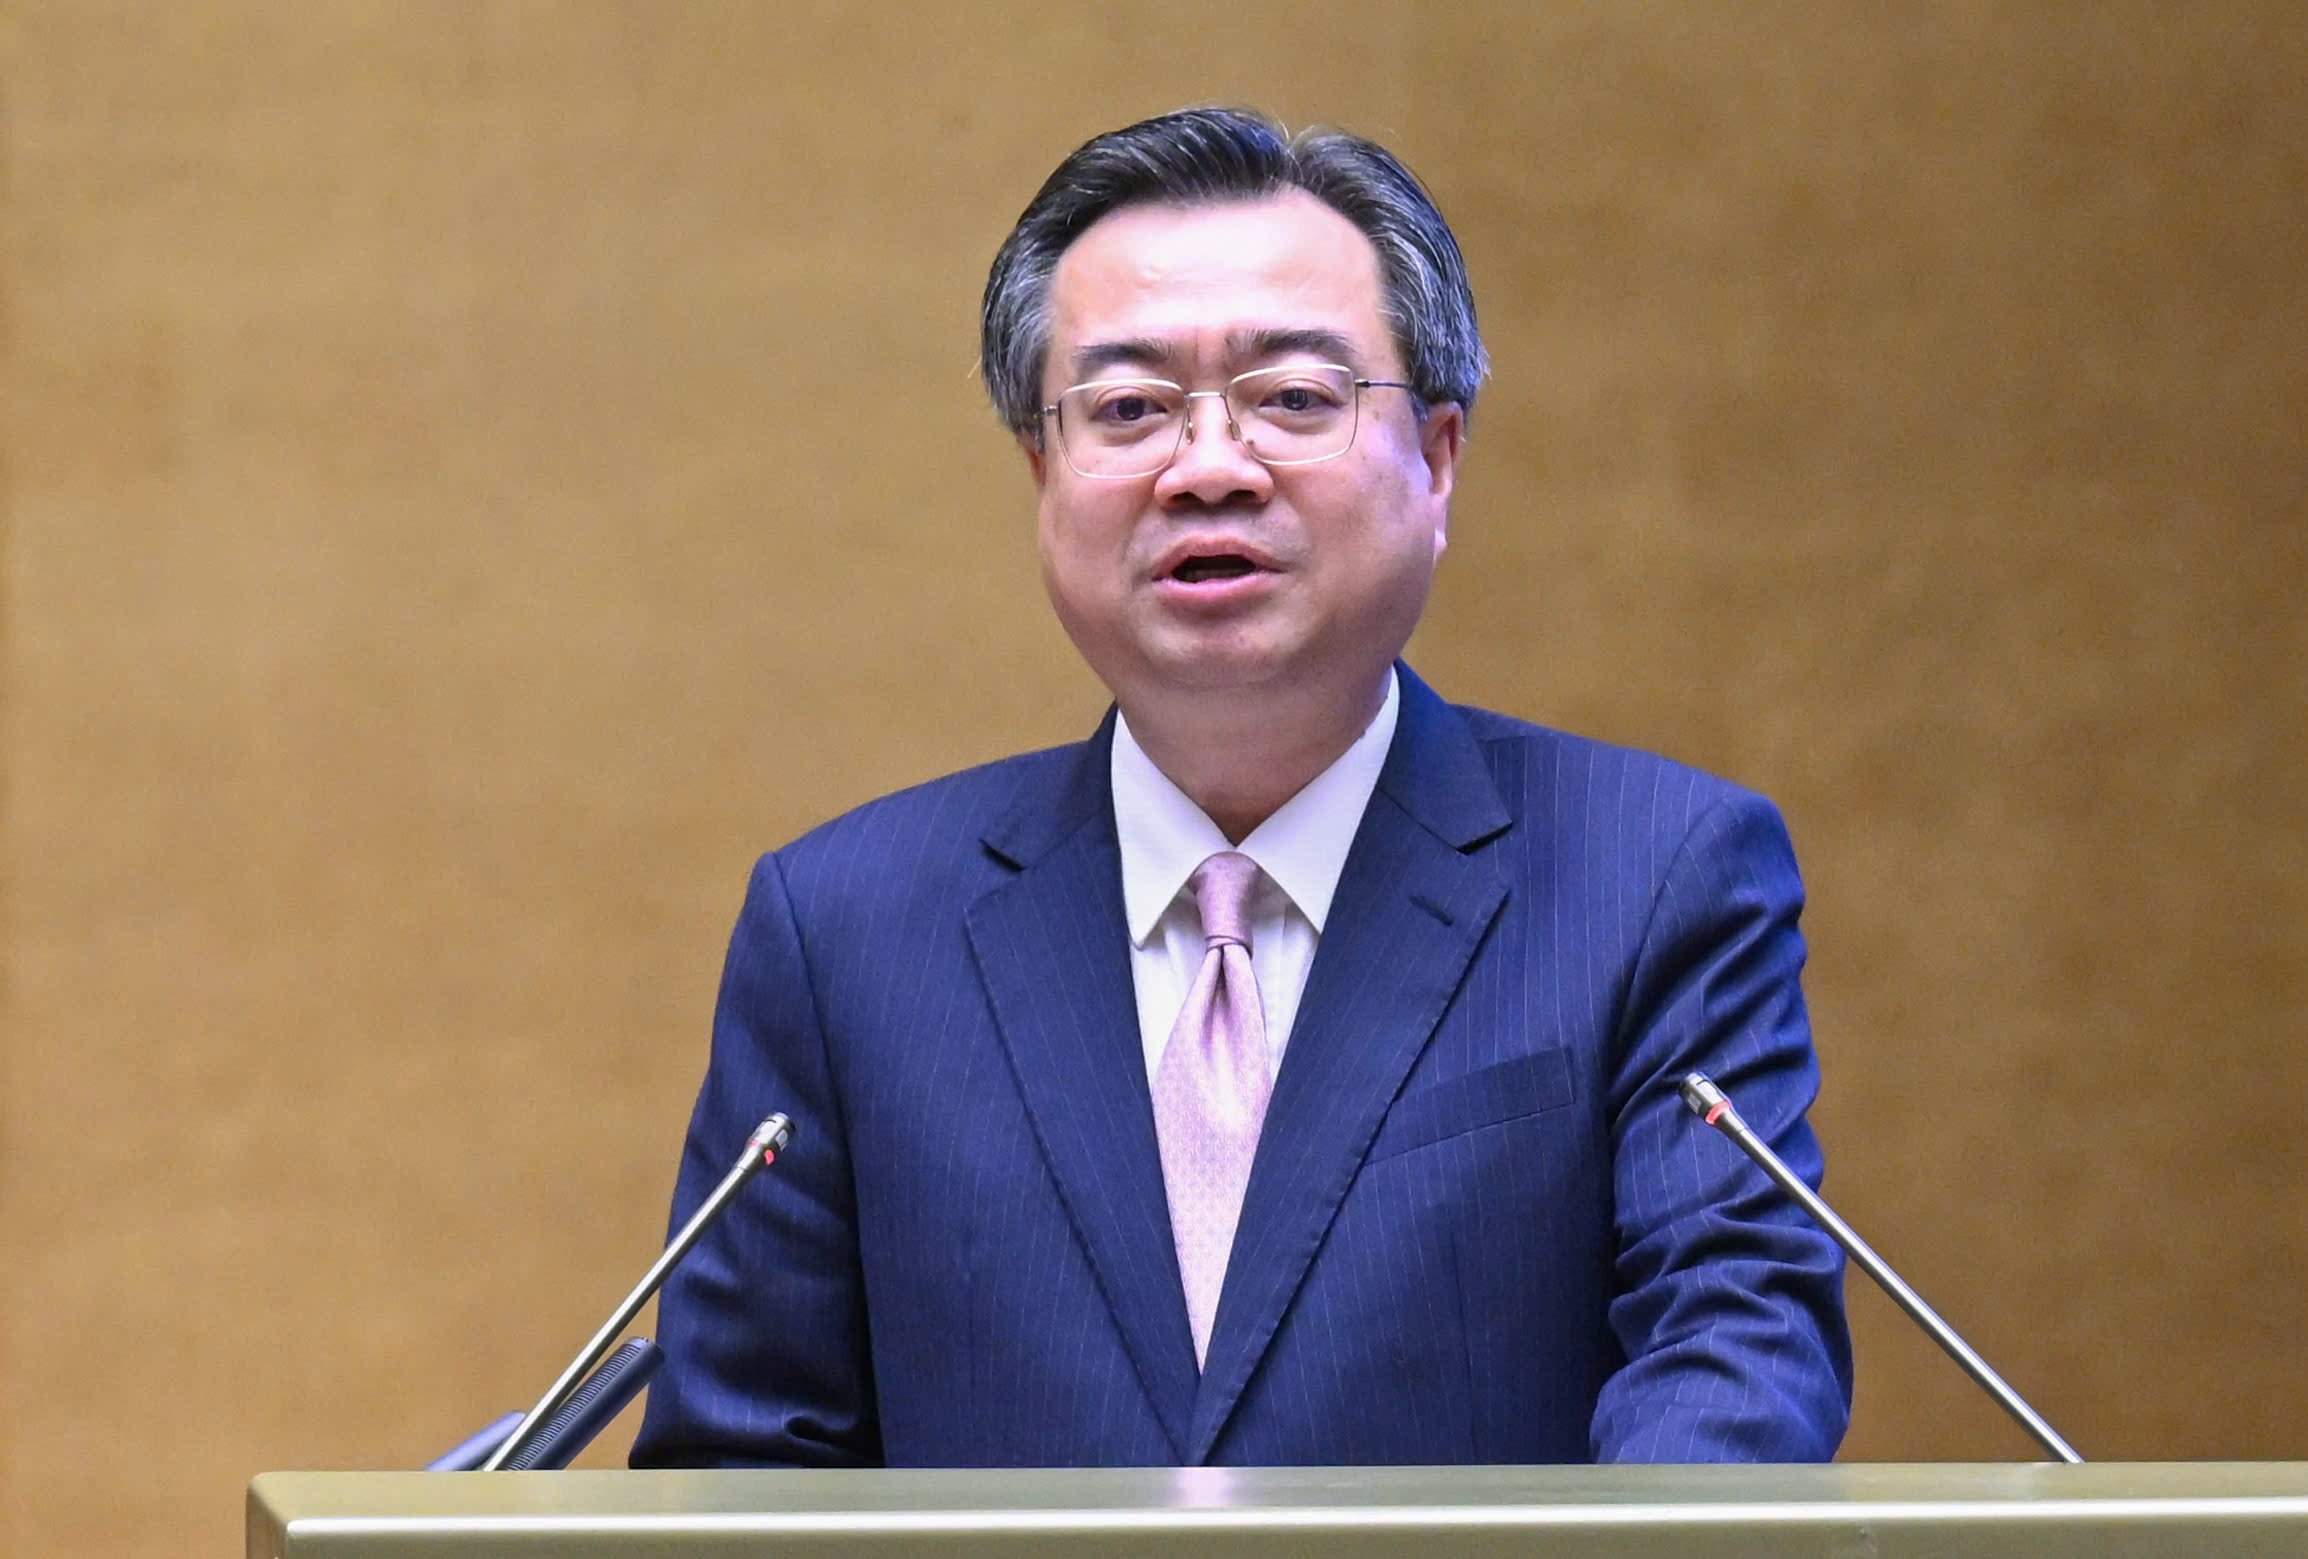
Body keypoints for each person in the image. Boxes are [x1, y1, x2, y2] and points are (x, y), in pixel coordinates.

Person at [631, 106, 1850, 1469]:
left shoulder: (1656, 875)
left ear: (1440, 460)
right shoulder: (847, 931)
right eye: (1129, 410)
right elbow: (747, 1469)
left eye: (1293, 399)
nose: (1207, 469)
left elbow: (1731, 1362)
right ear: (1042, 472)